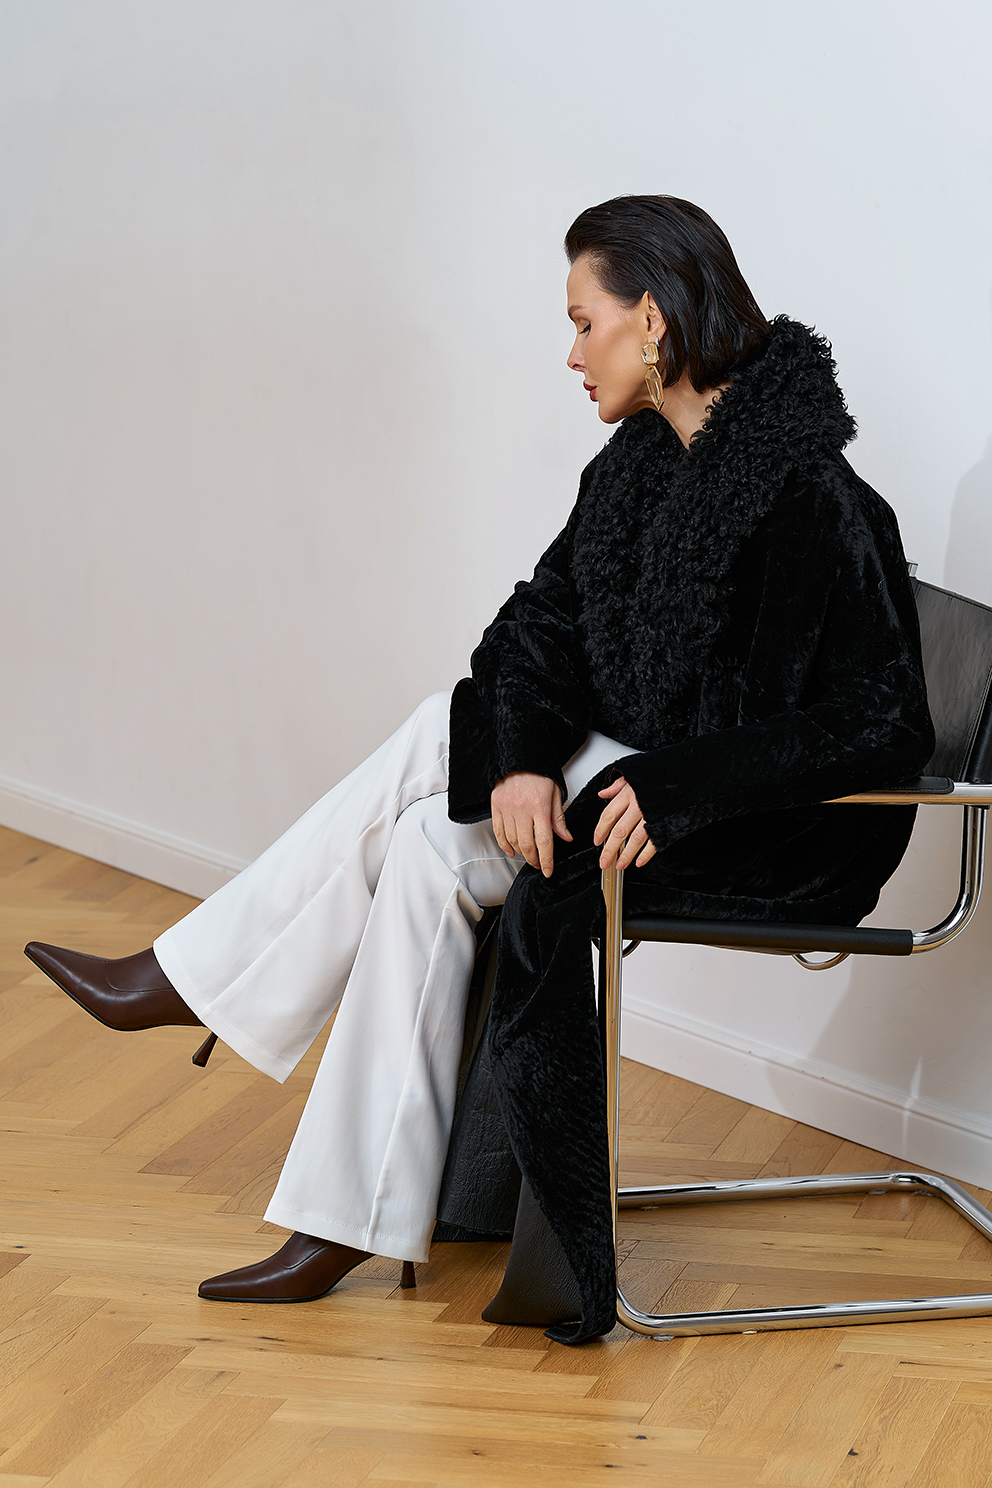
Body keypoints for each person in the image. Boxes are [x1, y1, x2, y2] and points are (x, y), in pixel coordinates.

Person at [24, 195, 934, 1344]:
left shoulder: (810, 498)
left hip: (762, 832)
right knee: (427, 836)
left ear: (652, 322)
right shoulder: (639, 467)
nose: (570, 353)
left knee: (429, 743)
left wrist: (680, 787)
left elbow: (879, 724)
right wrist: (518, 766)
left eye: (583, 323)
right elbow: (534, 624)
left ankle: (197, 984)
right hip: (641, 786)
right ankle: (339, 1214)